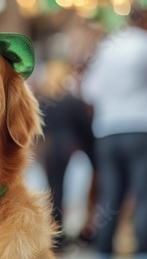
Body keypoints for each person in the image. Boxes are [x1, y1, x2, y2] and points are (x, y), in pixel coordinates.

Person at [81, 4, 147, 259]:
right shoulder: (146, 45)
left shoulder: (106, 47)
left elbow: (88, 91)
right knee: (145, 195)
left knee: (109, 198)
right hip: (143, 129)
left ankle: (103, 252)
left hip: (108, 132)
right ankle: (145, 252)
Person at [37, 60, 95, 250]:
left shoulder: (41, 102)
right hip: (70, 147)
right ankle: (72, 233)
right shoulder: (74, 101)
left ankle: (55, 236)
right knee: (72, 190)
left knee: (54, 192)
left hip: (49, 148)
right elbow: (86, 129)